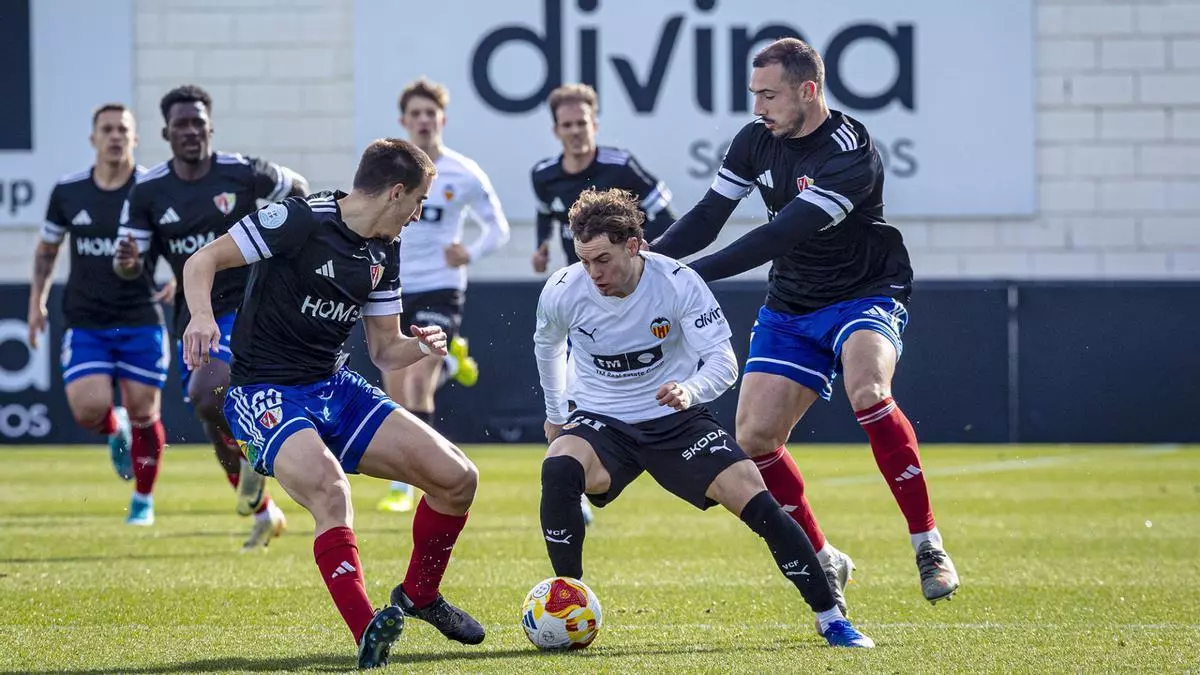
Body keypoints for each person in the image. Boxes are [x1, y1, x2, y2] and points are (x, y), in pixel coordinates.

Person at [649, 38, 960, 604]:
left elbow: (777, 235)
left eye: (769, 96)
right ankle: (824, 557)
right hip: (793, 303)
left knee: (868, 390)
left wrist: (685, 279)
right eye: (754, 94)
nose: (758, 108)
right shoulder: (754, 140)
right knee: (754, 436)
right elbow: (710, 216)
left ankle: (927, 544)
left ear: (808, 90)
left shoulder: (850, 150)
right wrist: (649, 262)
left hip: (864, 294)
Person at [181, 138, 485, 669]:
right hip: (263, 391)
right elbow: (202, 259)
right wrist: (202, 318)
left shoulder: (385, 249)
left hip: (334, 386)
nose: (418, 215)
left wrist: (419, 346)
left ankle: (419, 595)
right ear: (396, 192)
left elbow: (384, 350)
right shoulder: (301, 219)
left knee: (458, 479)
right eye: (418, 202)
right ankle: (368, 632)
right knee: (331, 491)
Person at [533, 188, 873, 648]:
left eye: (603, 260)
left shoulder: (678, 283)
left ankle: (831, 618)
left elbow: (723, 363)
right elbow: (548, 345)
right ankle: (568, 601)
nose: (593, 274)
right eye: (584, 260)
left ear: (633, 246)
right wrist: (557, 414)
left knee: (757, 500)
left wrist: (688, 390)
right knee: (559, 466)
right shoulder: (563, 289)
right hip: (601, 420)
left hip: (676, 419)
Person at [114, 84, 306, 550]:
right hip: (196, 313)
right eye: (181, 124)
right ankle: (263, 510)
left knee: (208, 393)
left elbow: (298, 189)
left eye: (198, 122)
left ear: (210, 126)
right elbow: (130, 263)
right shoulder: (149, 190)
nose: (190, 130)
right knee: (210, 413)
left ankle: (262, 454)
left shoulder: (242, 171)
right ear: (166, 132)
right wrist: (128, 262)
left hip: (253, 306)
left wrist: (286, 237)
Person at [27, 104, 170, 525]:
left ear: (135, 137)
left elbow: (183, 239)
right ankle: (113, 427)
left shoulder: (152, 188)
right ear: (93, 138)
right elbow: (47, 250)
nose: (115, 136)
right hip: (87, 319)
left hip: (141, 316)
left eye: (123, 129)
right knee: (88, 409)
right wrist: (36, 301)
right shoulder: (68, 192)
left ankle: (142, 501)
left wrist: (183, 280)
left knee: (145, 411)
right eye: (107, 129)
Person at [377, 77, 511, 513]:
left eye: (430, 113)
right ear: (403, 121)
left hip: (441, 287)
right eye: (415, 114)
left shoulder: (463, 172)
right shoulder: (389, 172)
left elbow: (498, 228)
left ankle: (419, 482)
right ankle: (404, 478)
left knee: (419, 381)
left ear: (442, 120)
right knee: (397, 388)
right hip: (392, 287)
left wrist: (469, 252)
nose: (423, 120)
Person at [530, 83, 675, 274]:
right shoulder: (543, 175)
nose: (575, 131)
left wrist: (642, 251)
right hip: (581, 278)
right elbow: (544, 213)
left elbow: (666, 217)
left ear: (594, 125)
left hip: (628, 279)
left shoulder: (621, 167)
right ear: (556, 130)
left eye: (581, 123)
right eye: (567, 125)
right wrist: (542, 246)